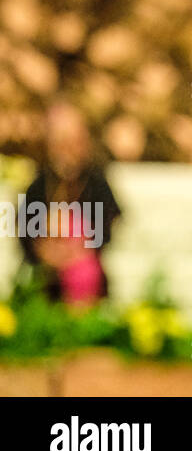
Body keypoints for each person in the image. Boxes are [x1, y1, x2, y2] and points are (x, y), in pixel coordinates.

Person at [19, 101, 121, 306]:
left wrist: (82, 248)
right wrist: (45, 252)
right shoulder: (39, 184)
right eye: (61, 142)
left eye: (74, 141)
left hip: (89, 280)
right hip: (46, 278)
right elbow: (23, 230)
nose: (68, 149)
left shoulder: (95, 182)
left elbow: (111, 221)